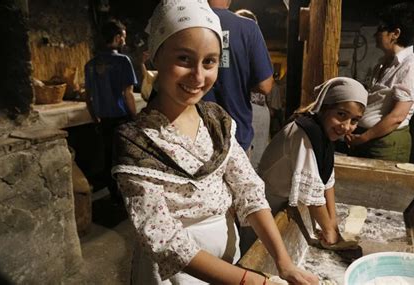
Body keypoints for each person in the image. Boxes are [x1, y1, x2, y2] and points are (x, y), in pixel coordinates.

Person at [111, 1, 318, 284]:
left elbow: (249, 191)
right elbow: (165, 239)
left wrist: (285, 263)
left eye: (209, 62)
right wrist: (252, 281)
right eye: (184, 59)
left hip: (228, 259)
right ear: (154, 58)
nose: (198, 76)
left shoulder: (216, 122)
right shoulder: (136, 141)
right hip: (177, 273)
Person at [256, 77, 368, 250]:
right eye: (341, 115)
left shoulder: (324, 133)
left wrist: (334, 225)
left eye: (354, 120)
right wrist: (330, 235)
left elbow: (326, 181)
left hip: (281, 204)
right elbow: (312, 196)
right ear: (324, 108)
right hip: (266, 207)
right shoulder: (305, 133)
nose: (346, 127)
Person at [346, 2, 414, 162]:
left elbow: (397, 116)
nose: (375, 34)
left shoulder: (412, 65)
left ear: (395, 33)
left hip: (386, 143)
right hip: (368, 138)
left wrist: (364, 138)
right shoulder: (384, 62)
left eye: (381, 29)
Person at [204, 0, 274, 152]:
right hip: (235, 135)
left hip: (194, 133)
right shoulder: (248, 28)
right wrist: (238, 79)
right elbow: (265, 86)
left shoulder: (186, 22)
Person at [84, 19, 138, 201]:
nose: (124, 41)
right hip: (122, 119)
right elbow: (128, 94)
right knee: (125, 158)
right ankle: (127, 196)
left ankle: (114, 195)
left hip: (103, 120)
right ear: (117, 38)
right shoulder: (123, 61)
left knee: (108, 157)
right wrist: (136, 117)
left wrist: (95, 119)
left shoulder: (90, 65)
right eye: (123, 37)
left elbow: (88, 97)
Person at [234, 8, 271, 169]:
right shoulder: (255, 45)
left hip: (252, 107)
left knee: (249, 161)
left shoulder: (242, 45)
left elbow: (265, 86)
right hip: (255, 108)